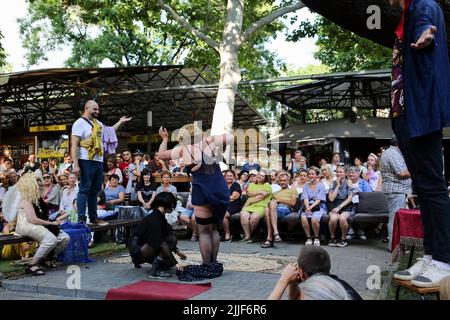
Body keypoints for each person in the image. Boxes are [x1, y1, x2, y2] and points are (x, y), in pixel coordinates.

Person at [389, 0, 450, 288]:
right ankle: (432, 254)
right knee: (423, 189)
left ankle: (444, 260)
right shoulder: (405, 15)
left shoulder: (422, 5)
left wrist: (426, 32)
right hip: (406, 115)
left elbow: (427, 23)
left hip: (420, 114)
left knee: (433, 188)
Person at [158, 123, 232, 266]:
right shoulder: (208, 142)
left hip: (202, 190)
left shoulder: (183, 150)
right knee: (215, 228)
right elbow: (229, 137)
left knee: (204, 231)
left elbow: (161, 155)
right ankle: (214, 262)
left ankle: (207, 265)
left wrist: (164, 138)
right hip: (220, 189)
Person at [71, 100, 131, 226]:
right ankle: (82, 219)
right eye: (94, 109)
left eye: (98, 109)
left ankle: (93, 218)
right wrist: (75, 164)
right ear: (86, 108)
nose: (97, 111)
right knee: (84, 189)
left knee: (95, 190)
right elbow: (74, 145)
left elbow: (110, 132)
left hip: (98, 160)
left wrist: (120, 122)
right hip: (85, 160)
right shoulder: (79, 123)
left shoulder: (97, 123)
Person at [2, 173, 70, 276]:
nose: (41, 186)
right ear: (31, 186)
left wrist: (52, 223)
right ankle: (31, 265)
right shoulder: (26, 199)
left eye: (41, 184)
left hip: (36, 224)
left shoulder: (37, 199)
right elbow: (33, 220)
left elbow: (41, 217)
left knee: (65, 238)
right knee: (51, 239)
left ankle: (44, 258)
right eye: (37, 184)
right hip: (25, 225)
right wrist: (51, 223)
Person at [268, 246, 362, 300]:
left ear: (302, 274)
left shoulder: (316, 294)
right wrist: (293, 283)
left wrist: (283, 280)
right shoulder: (339, 286)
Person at [129, 192, 187, 276]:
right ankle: (154, 271)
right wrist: (176, 264)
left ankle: (158, 264)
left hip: (145, 247)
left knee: (171, 239)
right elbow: (161, 243)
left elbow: (165, 237)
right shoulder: (155, 218)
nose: (173, 207)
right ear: (166, 204)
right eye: (172, 204)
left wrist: (178, 251)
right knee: (164, 242)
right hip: (139, 251)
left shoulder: (159, 216)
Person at [380, 138, 411, 250]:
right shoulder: (393, 153)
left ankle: (397, 246)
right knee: (395, 219)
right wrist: (417, 169)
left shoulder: (391, 152)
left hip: (397, 190)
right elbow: (402, 173)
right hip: (396, 190)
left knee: (396, 218)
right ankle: (395, 247)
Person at [262, 171, 297, 248]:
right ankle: (274, 234)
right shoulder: (275, 192)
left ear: (288, 181)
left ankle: (270, 237)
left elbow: (293, 203)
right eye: (281, 181)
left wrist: (279, 200)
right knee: (267, 209)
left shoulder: (292, 190)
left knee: (270, 207)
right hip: (275, 209)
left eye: (284, 180)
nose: (282, 182)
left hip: (286, 208)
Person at [240, 170, 272, 242]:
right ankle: (248, 236)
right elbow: (249, 194)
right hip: (251, 205)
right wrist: (260, 191)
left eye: (262, 175)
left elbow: (261, 197)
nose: (260, 176)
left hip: (262, 206)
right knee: (243, 215)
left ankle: (249, 235)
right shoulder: (251, 184)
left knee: (254, 218)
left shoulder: (267, 185)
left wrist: (249, 200)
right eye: (259, 175)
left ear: (265, 178)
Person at [300, 167, 327, 246]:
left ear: (317, 175)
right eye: (309, 174)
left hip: (318, 206)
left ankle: (316, 237)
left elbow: (319, 200)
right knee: (303, 218)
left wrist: (311, 207)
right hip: (307, 205)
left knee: (314, 219)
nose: (310, 176)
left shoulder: (321, 186)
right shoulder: (306, 185)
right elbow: (305, 198)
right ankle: (308, 237)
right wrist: (307, 207)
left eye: (313, 174)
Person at [328, 166, 353, 247]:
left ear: (345, 173)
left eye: (341, 172)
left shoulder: (349, 182)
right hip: (334, 206)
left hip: (345, 206)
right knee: (333, 219)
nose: (339, 173)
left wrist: (339, 207)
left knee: (342, 218)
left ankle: (343, 238)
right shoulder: (332, 182)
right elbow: (331, 198)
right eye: (337, 172)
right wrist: (337, 186)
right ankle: (332, 237)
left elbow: (350, 198)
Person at [345, 166, 372, 241]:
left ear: (358, 173)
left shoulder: (364, 183)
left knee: (358, 209)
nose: (351, 174)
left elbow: (368, 195)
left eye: (353, 172)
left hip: (361, 204)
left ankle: (360, 230)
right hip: (347, 204)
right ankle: (351, 229)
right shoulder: (345, 182)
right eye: (349, 172)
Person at [221, 170, 242, 242]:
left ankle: (227, 233)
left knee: (222, 215)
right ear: (224, 177)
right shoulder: (222, 185)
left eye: (231, 176)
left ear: (233, 177)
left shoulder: (236, 185)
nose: (229, 177)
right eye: (227, 176)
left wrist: (223, 198)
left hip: (234, 205)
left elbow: (234, 197)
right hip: (223, 205)